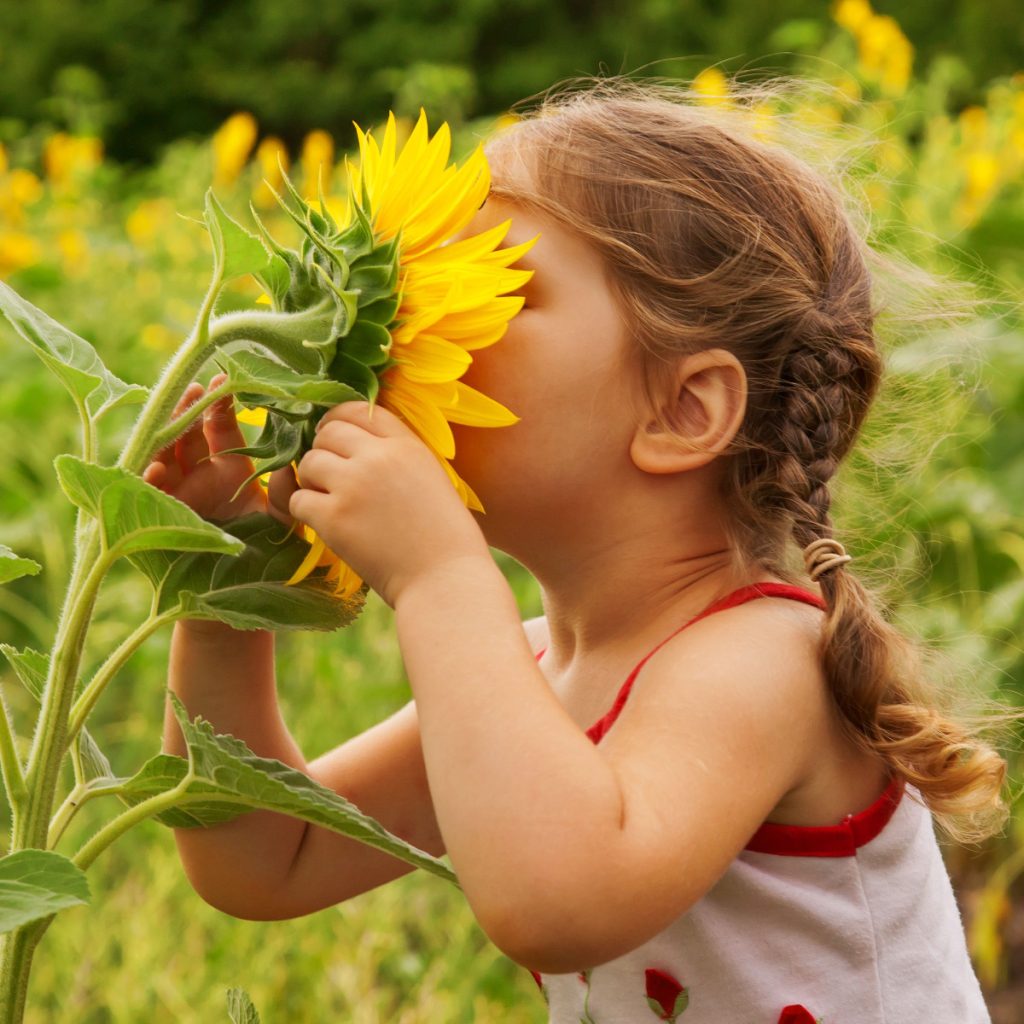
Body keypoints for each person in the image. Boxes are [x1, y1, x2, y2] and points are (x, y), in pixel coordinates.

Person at [146, 76, 1013, 1023]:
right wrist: (230, 578)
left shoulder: (765, 662)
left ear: (685, 411)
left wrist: (440, 580)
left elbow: (556, 904)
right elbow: (269, 858)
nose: (411, 327)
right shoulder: (535, 667)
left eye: (493, 289)